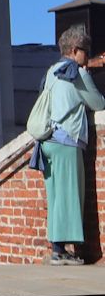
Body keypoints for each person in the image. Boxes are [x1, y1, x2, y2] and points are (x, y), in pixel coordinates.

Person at [36, 25, 105, 265]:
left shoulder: (53, 71)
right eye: (85, 51)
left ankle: (56, 248)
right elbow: (97, 103)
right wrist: (88, 73)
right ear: (75, 50)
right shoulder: (76, 72)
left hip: (47, 141)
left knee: (56, 196)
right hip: (67, 141)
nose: (87, 56)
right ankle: (60, 252)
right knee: (70, 196)